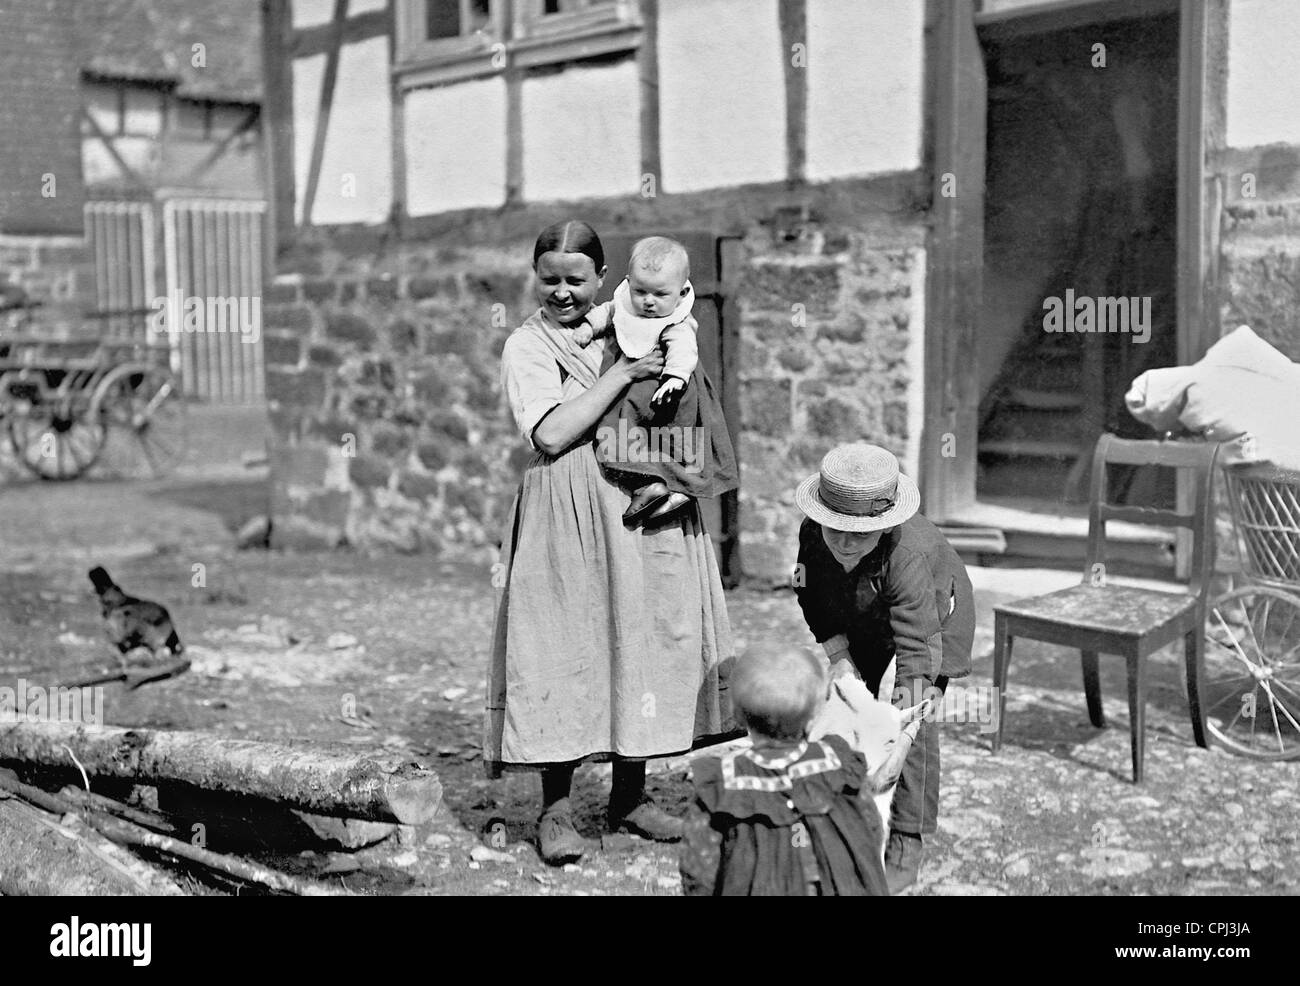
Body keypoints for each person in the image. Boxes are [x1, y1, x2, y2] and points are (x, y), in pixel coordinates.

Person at [489, 219, 740, 865]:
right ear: (535, 279)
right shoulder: (529, 345)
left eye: (577, 279)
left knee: (646, 645)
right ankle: (556, 810)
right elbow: (550, 434)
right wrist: (623, 374)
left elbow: (688, 413)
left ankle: (631, 798)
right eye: (550, 279)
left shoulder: (650, 323)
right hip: (567, 507)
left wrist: (686, 479)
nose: (564, 292)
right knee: (564, 649)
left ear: (605, 278)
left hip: (643, 507)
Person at [792, 443, 975, 893]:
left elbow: (917, 655)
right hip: (863, 611)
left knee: (914, 713)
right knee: (849, 704)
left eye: (860, 533)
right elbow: (810, 594)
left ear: (886, 524)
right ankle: (848, 812)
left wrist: (902, 739)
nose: (845, 541)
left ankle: (907, 837)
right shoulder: (813, 534)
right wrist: (841, 657)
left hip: (933, 616)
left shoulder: (912, 554)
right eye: (836, 529)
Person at [677, 642, 892, 896]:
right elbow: (870, 830)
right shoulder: (839, 767)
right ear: (814, 715)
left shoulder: (722, 785)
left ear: (738, 717)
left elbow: (699, 870)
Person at [576, 236, 737, 525]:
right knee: (618, 438)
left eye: (660, 295)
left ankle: (682, 489)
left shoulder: (676, 320)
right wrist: (589, 327)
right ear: (629, 282)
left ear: (681, 291)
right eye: (640, 292)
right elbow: (608, 312)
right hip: (634, 393)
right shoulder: (625, 304)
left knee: (676, 442)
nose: (648, 302)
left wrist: (674, 379)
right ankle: (649, 486)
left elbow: (683, 350)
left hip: (668, 390)